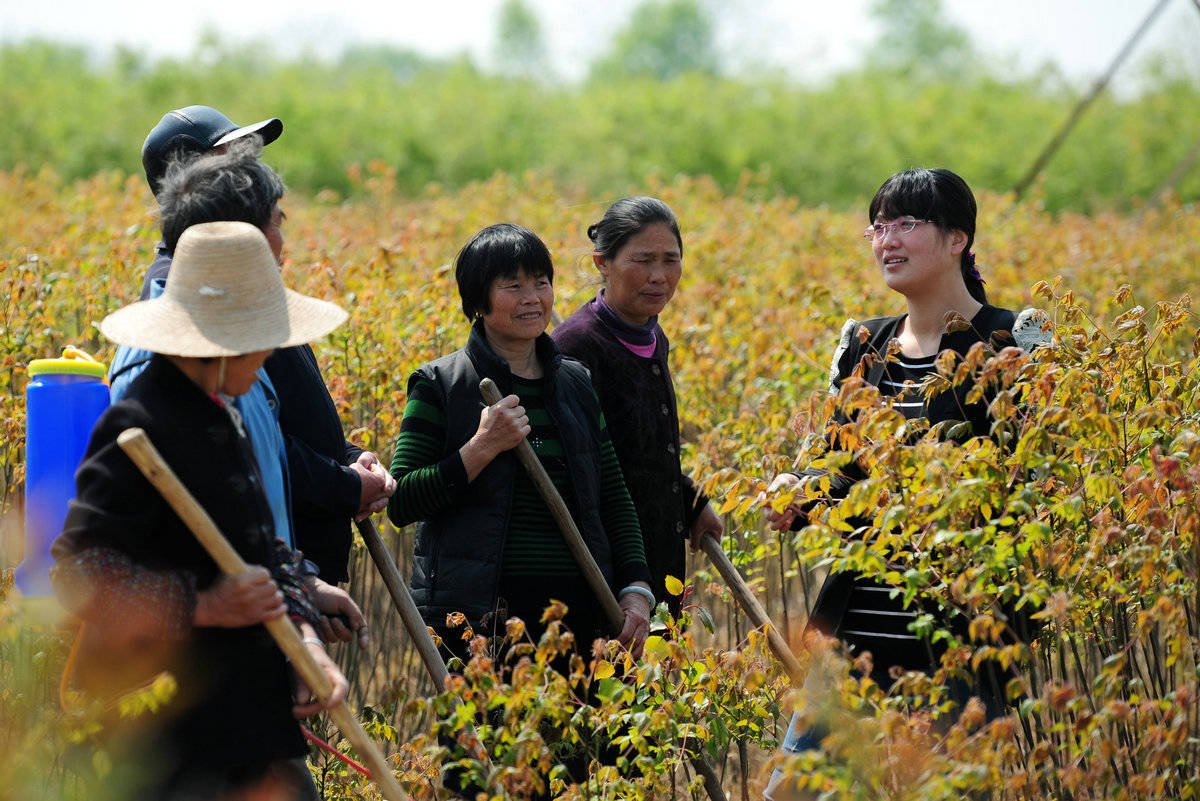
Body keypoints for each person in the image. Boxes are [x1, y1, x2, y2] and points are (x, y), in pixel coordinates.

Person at [760, 168, 1047, 800]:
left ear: (956, 241)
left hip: (962, 638)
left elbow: (1038, 485)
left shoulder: (1012, 342)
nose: (888, 239)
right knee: (795, 792)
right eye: (879, 226)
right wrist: (799, 492)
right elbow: (837, 467)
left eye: (908, 224)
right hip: (856, 631)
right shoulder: (865, 344)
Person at [51, 220, 351, 801]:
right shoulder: (138, 425)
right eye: (261, 338)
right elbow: (77, 576)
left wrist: (308, 646)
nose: (267, 356)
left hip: (250, 727)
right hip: (168, 742)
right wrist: (201, 606)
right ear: (218, 338)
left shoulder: (225, 412)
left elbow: (262, 553)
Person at [109, 138, 387, 648]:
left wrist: (301, 591)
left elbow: (252, 528)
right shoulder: (145, 401)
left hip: (258, 655)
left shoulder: (226, 390)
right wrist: (204, 607)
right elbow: (92, 569)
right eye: (277, 223)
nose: (268, 360)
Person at [386, 223, 655, 661]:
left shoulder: (575, 383)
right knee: (486, 731)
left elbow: (612, 494)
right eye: (513, 286)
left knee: (581, 728)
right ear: (478, 300)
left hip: (580, 610)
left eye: (542, 283)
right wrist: (481, 447)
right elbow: (403, 502)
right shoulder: (441, 385)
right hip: (480, 617)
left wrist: (636, 587)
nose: (533, 298)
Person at [553, 197, 723, 618]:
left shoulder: (651, 336)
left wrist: (692, 501)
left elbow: (642, 448)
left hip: (660, 557)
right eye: (643, 260)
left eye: (671, 260)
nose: (659, 276)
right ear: (601, 262)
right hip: (606, 576)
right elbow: (584, 475)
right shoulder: (576, 348)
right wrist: (628, 580)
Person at [139, 105, 283, 299]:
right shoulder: (170, 281)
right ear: (190, 180)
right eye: (231, 159)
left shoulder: (221, 259)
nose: (248, 171)